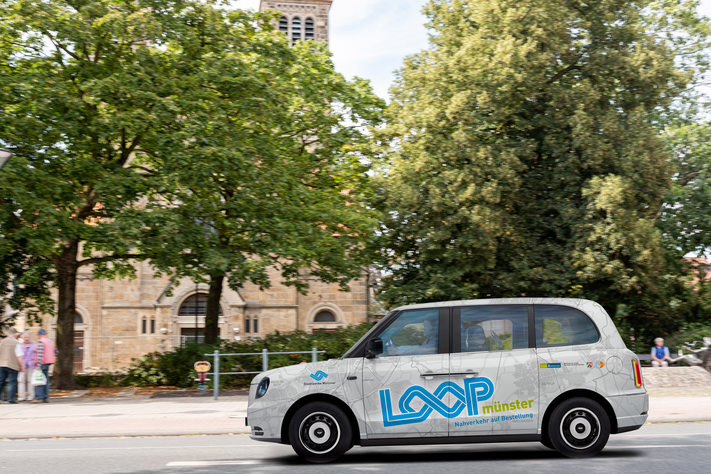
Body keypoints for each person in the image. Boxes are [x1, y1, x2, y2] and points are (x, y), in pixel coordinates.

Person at [0, 328, 24, 404]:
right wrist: (21, 365)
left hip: (1, 364)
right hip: (12, 365)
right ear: (14, 334)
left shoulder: (2, 342)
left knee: (0, 381)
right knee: (12, 382)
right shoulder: (16, 343)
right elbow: (19, 356)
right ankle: (11, 399)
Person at [33, 329, 56, 403]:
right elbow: (56, 351)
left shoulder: (41, 342)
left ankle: (39, 397)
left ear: (39, 334)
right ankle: (45, 397)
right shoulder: (50, 342)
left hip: (42, 363)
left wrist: (38, 365)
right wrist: (50, 356)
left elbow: (40, 354)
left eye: (37, 335)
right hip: (48, 363)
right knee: (46, 381)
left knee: (39, 380)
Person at [17, 331, 37, 402]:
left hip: (31, 365)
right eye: (25, 337)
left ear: (29, 337)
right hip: (22, 365)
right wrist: (20, 365)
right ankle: (21, 396)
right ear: (22, 338)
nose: (26, 338)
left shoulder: (33, 345)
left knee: (30, 381)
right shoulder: (19, 345)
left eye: (28, 337)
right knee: (21, 381)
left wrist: (35, 359)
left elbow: (37, 353)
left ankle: (31, 396)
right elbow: (18, 355)